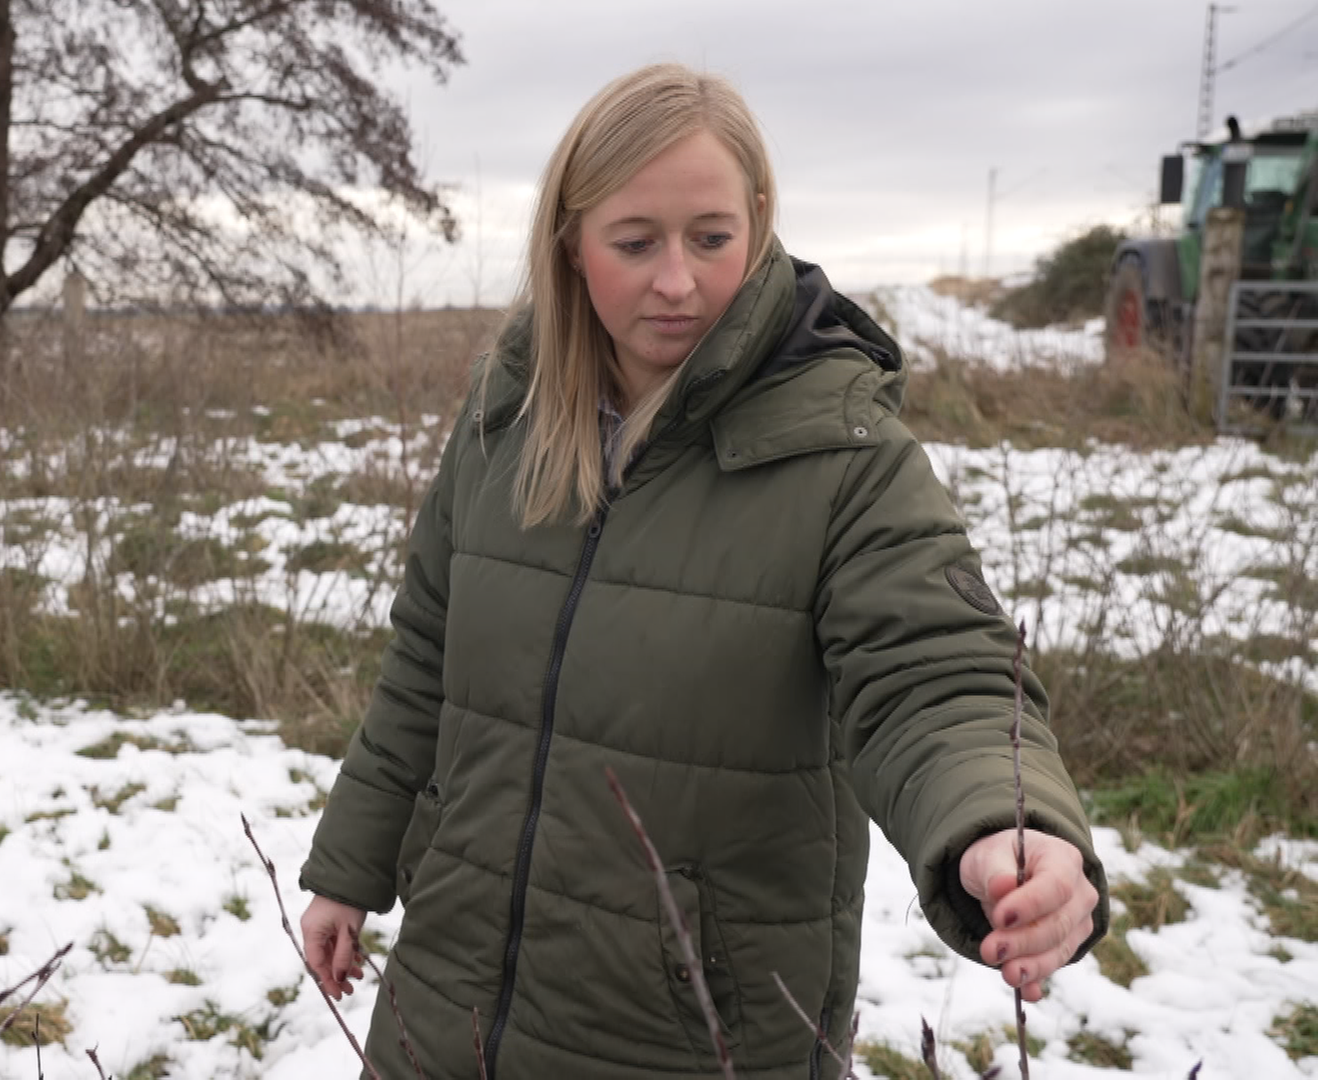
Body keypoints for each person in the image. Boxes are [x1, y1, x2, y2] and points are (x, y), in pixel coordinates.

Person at [295, 63, 1110, 1080]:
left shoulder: (843, 451)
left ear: (760, 222)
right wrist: (351, 869)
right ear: (572, 243)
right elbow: (425, 663)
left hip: (694, 1033)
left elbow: (934, 670)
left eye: (712, 239)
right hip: (449, 1006)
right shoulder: (505, 420)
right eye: (635, 243)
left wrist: (1000, 820)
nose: (676, 281)